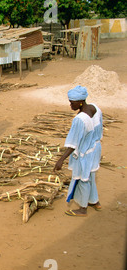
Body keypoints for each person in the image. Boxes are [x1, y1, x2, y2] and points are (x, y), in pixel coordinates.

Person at [53, 86, 103, 217]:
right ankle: (95, 201)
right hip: (95, 148)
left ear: (80, 101)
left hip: (85, 152)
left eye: (72, 102)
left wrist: (61, 160)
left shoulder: (80, 119)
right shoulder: (95, 108)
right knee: (91, 175)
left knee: (82, 179)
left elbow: (73, 144)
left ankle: (83, 208)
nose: (70, 105)